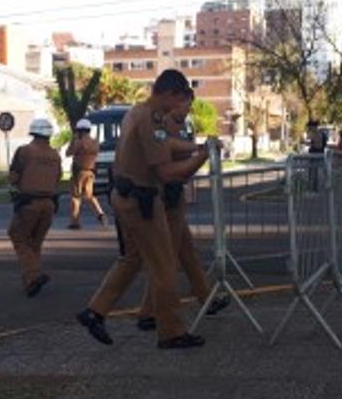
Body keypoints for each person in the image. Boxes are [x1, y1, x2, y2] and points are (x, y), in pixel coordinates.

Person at [77, 69, 212, 350]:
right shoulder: (152, 118)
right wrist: (203, 156)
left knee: (131, 259)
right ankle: (171, 332)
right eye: (179, 99)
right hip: (143, 202)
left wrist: (194, 146)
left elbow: (165, 143)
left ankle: (95, 311)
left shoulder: (137, 112)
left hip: (125, 197)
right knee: (165, 267)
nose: (180, 106)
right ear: (170, 93)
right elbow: (168, 173)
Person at [136, 90, 230, 330]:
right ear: (176, 102)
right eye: (186, 105)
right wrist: (200, 150)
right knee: (165, 259)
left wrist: (196, 149)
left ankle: (206, 299)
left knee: (187, 254)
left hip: (174, 193)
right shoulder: (162, 123)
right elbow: (167, 149)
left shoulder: (179, 124)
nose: (188, 110)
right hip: (166, 194)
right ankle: (149, 311)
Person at [7, 119, 62, 297]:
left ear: (33, 132)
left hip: (29, 202)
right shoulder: (55, 155)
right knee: (35, 243)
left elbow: (13, 176)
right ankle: (30, 283)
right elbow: (58, 178)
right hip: (49, 204)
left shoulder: (25, 151)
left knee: (18, 236)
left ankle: (34, 276)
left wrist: (15, 183)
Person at [66, 118, 106, 230]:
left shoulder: (79, 142)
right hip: (91, 171)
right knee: (89, 195)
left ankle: (74, 221)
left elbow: (68, 153)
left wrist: (73, 141)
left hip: (79, 171)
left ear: (80, 131)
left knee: (75, 196)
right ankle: (100, 213)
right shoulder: (95, 143)